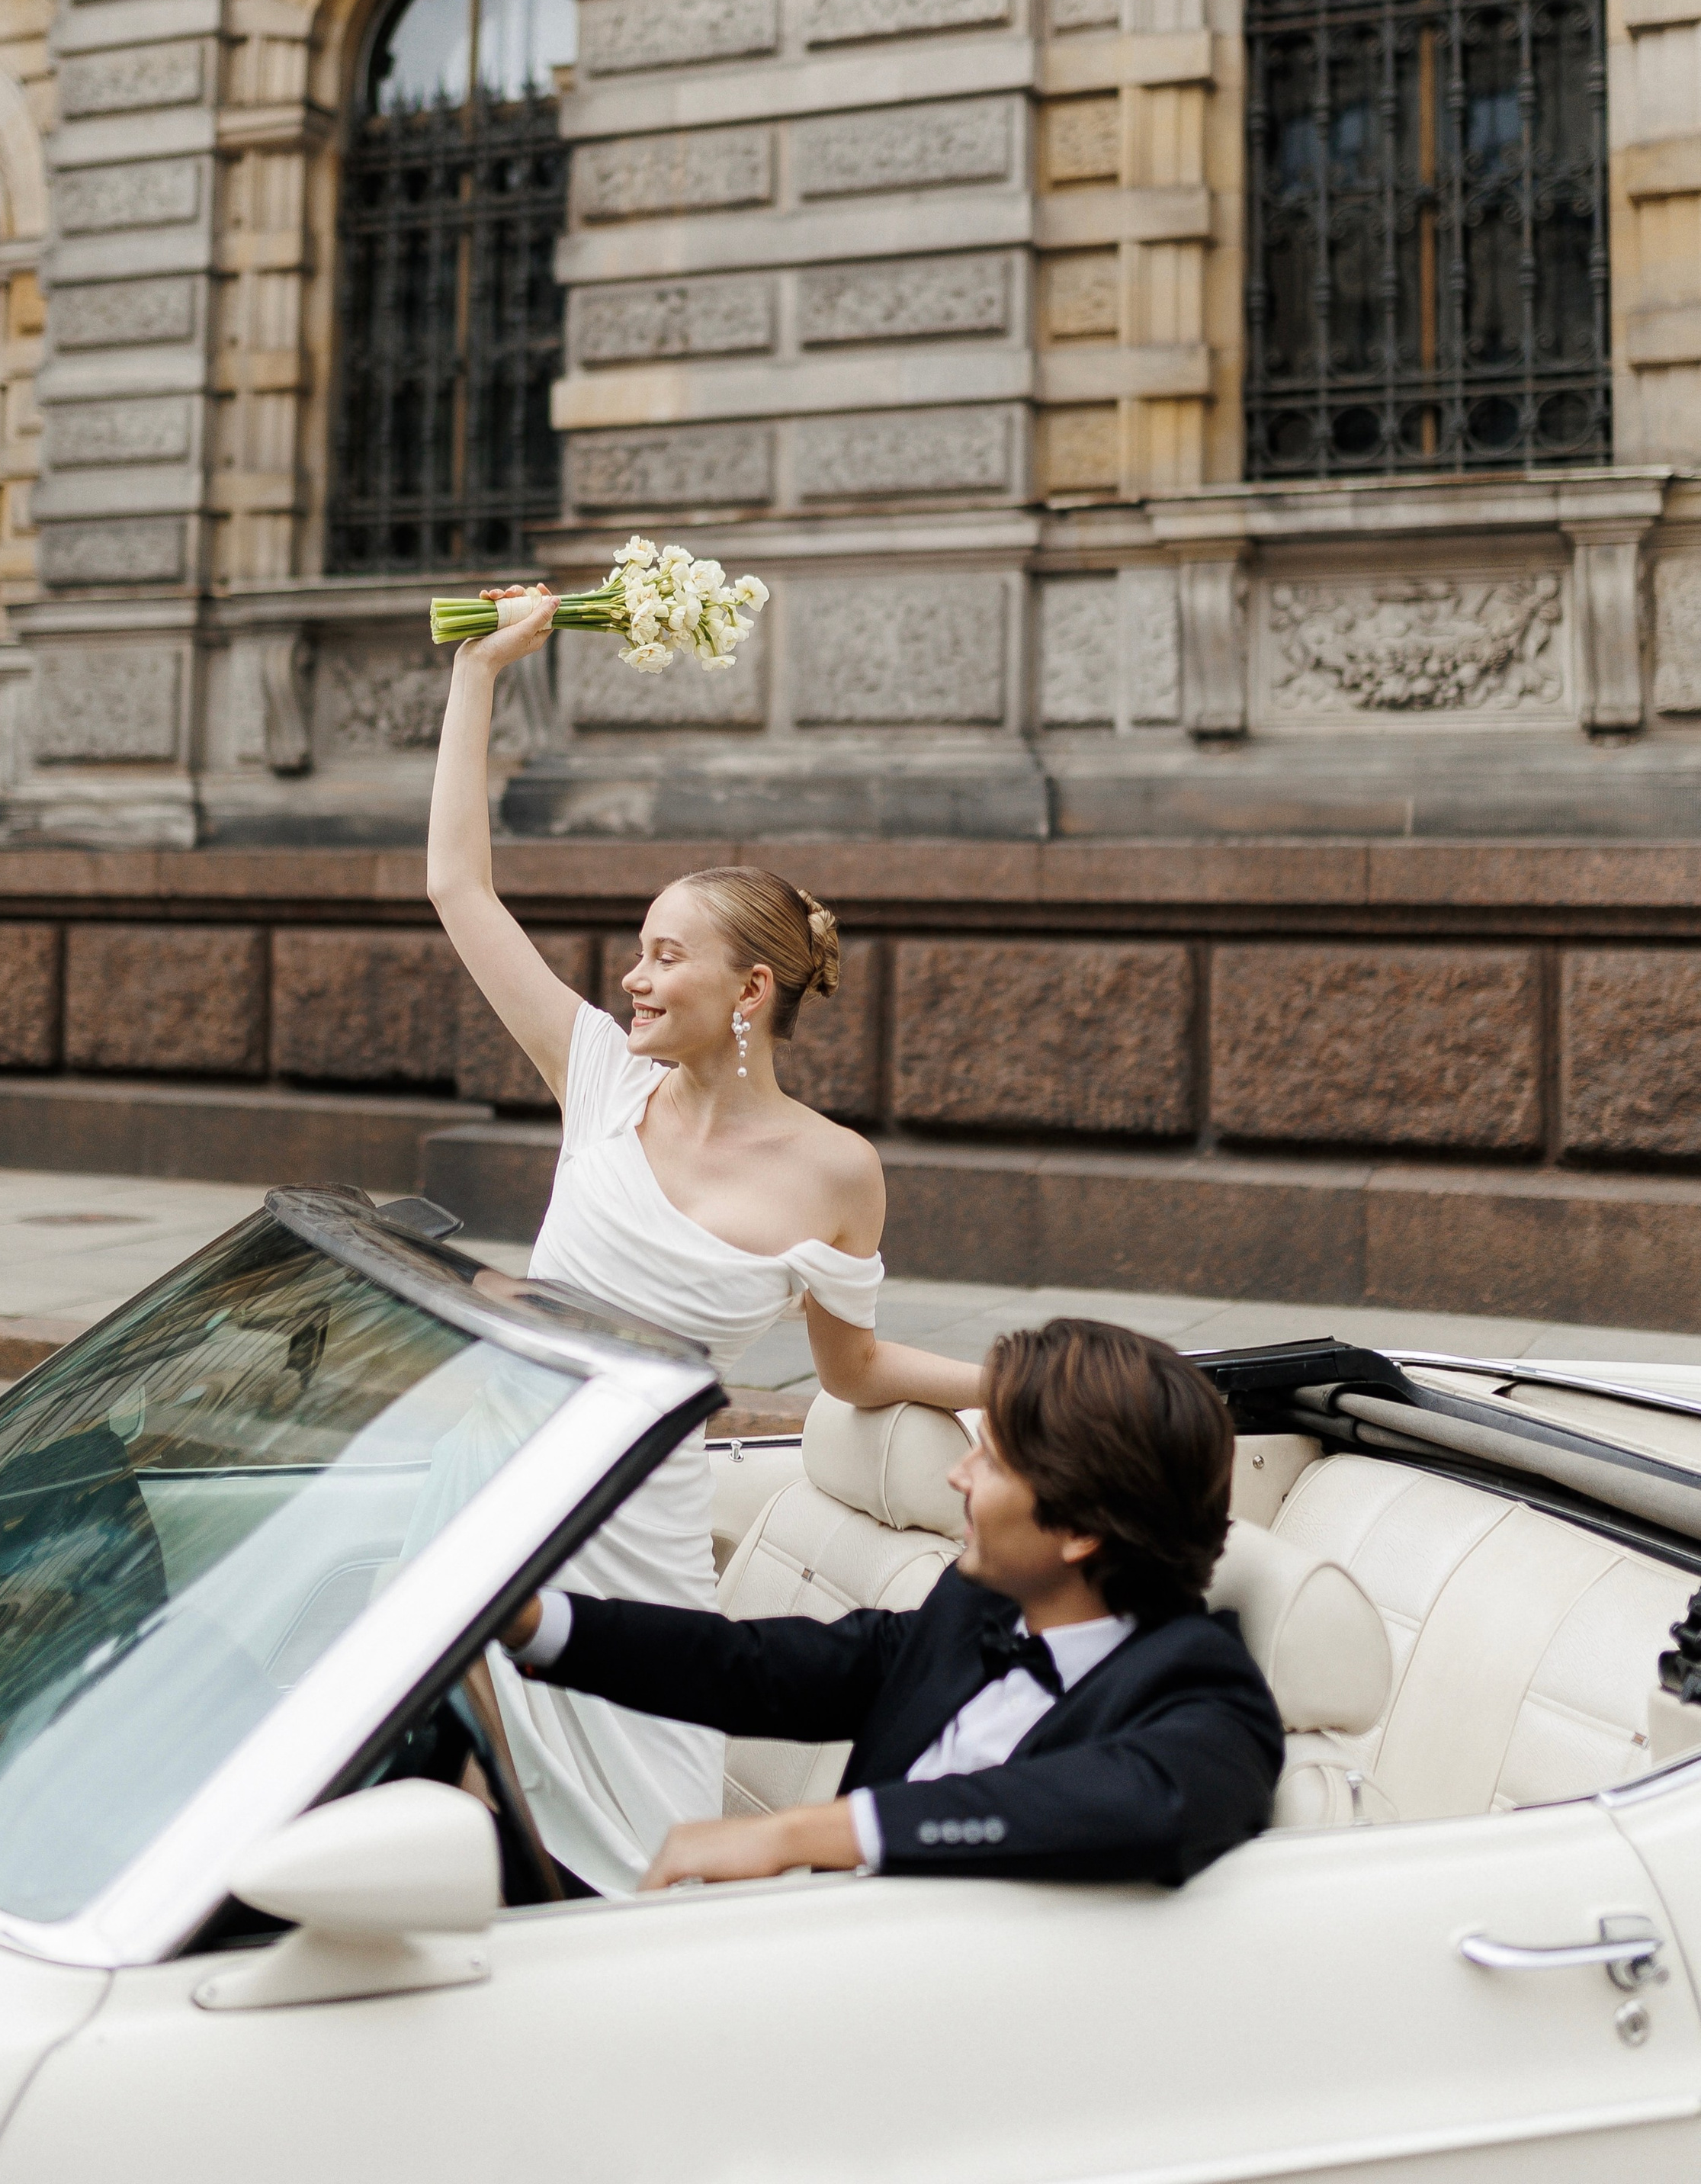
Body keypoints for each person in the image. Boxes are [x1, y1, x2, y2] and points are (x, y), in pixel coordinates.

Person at [425, 587, 986, 1896]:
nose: (633, 976)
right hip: (505, 1480)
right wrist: (480, 674)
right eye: (634, 951)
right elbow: (457, 883)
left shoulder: (840, 1173)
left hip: (646, 1523)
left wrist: (1004, 1386)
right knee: (455, 1772)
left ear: (748, 991)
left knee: (641, 1844)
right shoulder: (601, 1080)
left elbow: (847, 1375)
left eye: (664, 955)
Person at [501, 1319, 1284, 1891]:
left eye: (994, 1459)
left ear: (1080, 1527)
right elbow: (756, 1667)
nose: (958, 1476)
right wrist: (535, 1623)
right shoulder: (976, 1610)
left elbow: (1142, 1804)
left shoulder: (1206, 1693)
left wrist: (799, 1833)